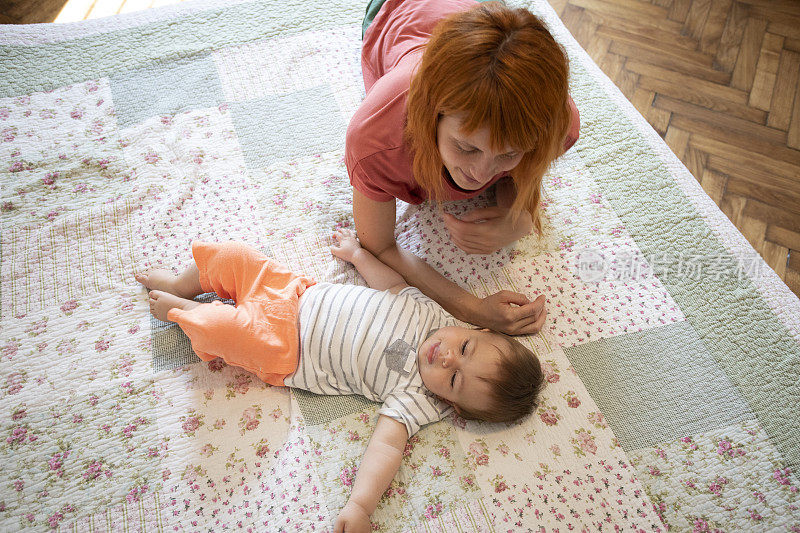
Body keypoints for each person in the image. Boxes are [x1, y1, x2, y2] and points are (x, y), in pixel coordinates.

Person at [135, 229, 544, 533]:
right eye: (466, 348)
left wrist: (361, 506)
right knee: (234, 255)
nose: (448, 357)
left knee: (228, 331)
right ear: (480, 331)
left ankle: (184, 311)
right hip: (292, 292)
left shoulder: (419, 399)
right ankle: (179, 283)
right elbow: (394, 286)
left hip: (284, 347)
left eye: (453, 379)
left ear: (452, 405)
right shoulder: (437, 316)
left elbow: (386, 447)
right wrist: (359, 257)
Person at [347, 0, 580, 336]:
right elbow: (379, 246)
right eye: (466, 147)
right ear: (433, 115)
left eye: (509, 154)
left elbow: (523, 175)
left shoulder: (557, 124)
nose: (482, 174)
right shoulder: (376, 139)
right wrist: (473, 309)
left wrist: (519, 217)